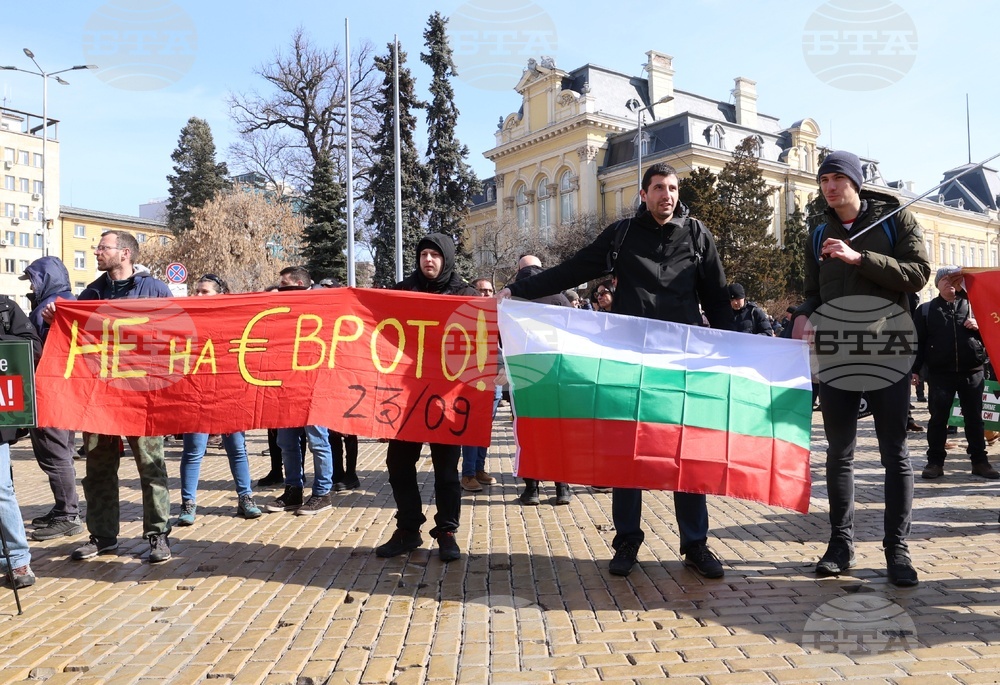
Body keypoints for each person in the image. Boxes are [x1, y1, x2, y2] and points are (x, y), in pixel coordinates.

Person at [498, 162, 734, 579]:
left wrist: (738, 350)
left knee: (687, 453)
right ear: (644, 194)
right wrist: (518, 289)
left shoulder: (698, 235)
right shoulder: (622, 235)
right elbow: (573, 269)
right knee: (629, 453)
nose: (666, 195)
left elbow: (716, 297)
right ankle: (627, 539)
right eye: (658, 187)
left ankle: (695, 543)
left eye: (672, 188)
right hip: (630, 363)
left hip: (681, 364)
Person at [799, 150, 930, 587]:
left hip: (888, 347)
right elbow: (813, 291)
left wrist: (859, 258)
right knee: (839, 453)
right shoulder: (818, 232)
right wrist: (803, 315)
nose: (830, 187)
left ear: (855, 183)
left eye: (837, 178)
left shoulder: (895, 220)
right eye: (824, 180)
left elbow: (918, 274)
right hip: (837, 352)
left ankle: (897, 549)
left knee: (895, 453)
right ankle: (841, 544)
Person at [45, 230, 175, 564]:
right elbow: (76, 339)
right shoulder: (91, 293)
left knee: (151, 466)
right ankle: (102, 536)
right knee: (98, 469)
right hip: (99, 397)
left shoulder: (154, 289)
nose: (96, 252)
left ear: (125, 253)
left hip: (142, 396)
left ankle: (158, 534)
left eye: (103, 247)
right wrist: (56, 321)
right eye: (97, 247)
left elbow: (175, 337)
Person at [376, 233, 476, 563]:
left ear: (446, 258)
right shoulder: (402, 292)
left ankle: (446, 531)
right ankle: (408, 529)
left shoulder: (466, 296)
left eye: (435, 254)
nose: (428, 260)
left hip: (448, 399)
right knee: (398, 465)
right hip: (407, 399)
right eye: (423, 255)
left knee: (446, 471)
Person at [177, 274, 262, 525]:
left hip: (229, 393)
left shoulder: (233, 320)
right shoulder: (186, 320)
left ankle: (246, 498)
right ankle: (188, 503)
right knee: (193, 450)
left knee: (237, 448)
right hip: (196, 393)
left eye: (204, 291)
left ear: (220, 295)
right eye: (196, 291)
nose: (198, 295)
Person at [19, 256, 83, 541]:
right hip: (65, 392)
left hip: (49, 393)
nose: (30, 287)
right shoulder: (68, 302)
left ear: (45, 279)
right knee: (62, 452)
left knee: (54, 455)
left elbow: (44, 350)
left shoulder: (53, 305)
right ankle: (63, 508)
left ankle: (68, 515)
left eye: (33, 280)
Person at [913, 267, 998, 480]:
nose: (949, 282)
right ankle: (935, 462)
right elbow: (918, 343)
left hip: (972, 371)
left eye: (953, 279)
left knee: (974, 419)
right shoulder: (925, 310)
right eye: (944, 279)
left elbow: (993, 332)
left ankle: (980, 462)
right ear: (937, 284)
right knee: (938, 419)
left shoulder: (975, 306)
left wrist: (979, 326)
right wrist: (914, 370)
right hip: (940, 374)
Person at [266, 266, 336, 516]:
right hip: (287, 386)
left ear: (298, 284)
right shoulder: (282, 310)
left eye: (283, 284)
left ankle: (322, 493)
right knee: (286, 442)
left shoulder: (324, 307)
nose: (279, 288)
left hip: (314, 387)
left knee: (318, 441)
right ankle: (293, 489)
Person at [509, 259, 573, 506]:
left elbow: (503, 339)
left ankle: (532, 489)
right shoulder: (560, 298)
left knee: (529, 433)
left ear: (519, 272)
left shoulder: (512, 301)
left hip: (525, 377)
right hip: (557, 378)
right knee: (558, 434)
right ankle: (562, 488)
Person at [0, 293, 42, 587]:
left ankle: (17, 560)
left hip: (1, 411)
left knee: (0, 489)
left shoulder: (5, 308)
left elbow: (32, 348)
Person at [460, 277, 500, 493]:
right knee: (472, 428)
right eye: (481, 290)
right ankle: (468, 474)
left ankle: (479, 469)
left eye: (489, 291)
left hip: (494, 381)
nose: (485, 294)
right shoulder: (465, 316)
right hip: (473, 380)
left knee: (484, 428)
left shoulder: (499, 315)